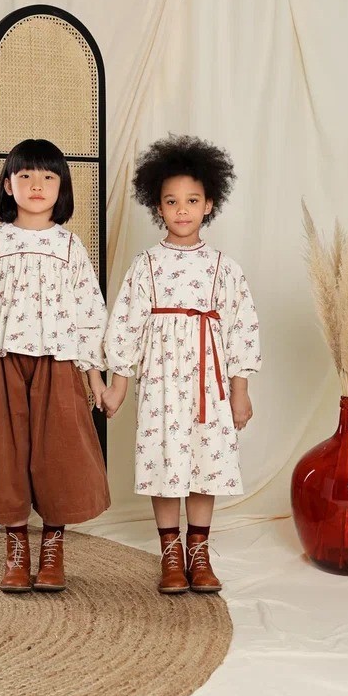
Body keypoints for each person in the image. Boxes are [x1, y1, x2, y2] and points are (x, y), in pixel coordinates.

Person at [103, 135, 261, 593]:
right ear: (158, 206)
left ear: (209, 204)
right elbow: (126, 325)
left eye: (192, 200)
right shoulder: (146, 265)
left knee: (206, 463)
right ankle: (171, 554)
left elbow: (242, 330)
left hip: (209, 385)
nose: (182, 210)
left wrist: (240, 391)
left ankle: (200, 552)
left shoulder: (224, 268)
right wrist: (119, 384)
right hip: (162, 385)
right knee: (164, 462)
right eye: (171, 201)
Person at [0, 138, 110, 593]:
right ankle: (16, 547)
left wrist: (95, 377)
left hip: (58, 365)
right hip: (2, 365)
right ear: (8, 185)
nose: (36, 185)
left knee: (59, 453)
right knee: (4, 454)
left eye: (47, 176)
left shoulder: (70, 247)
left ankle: (53, 546)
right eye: (25, 176)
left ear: (62, 188)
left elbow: (89, 312)